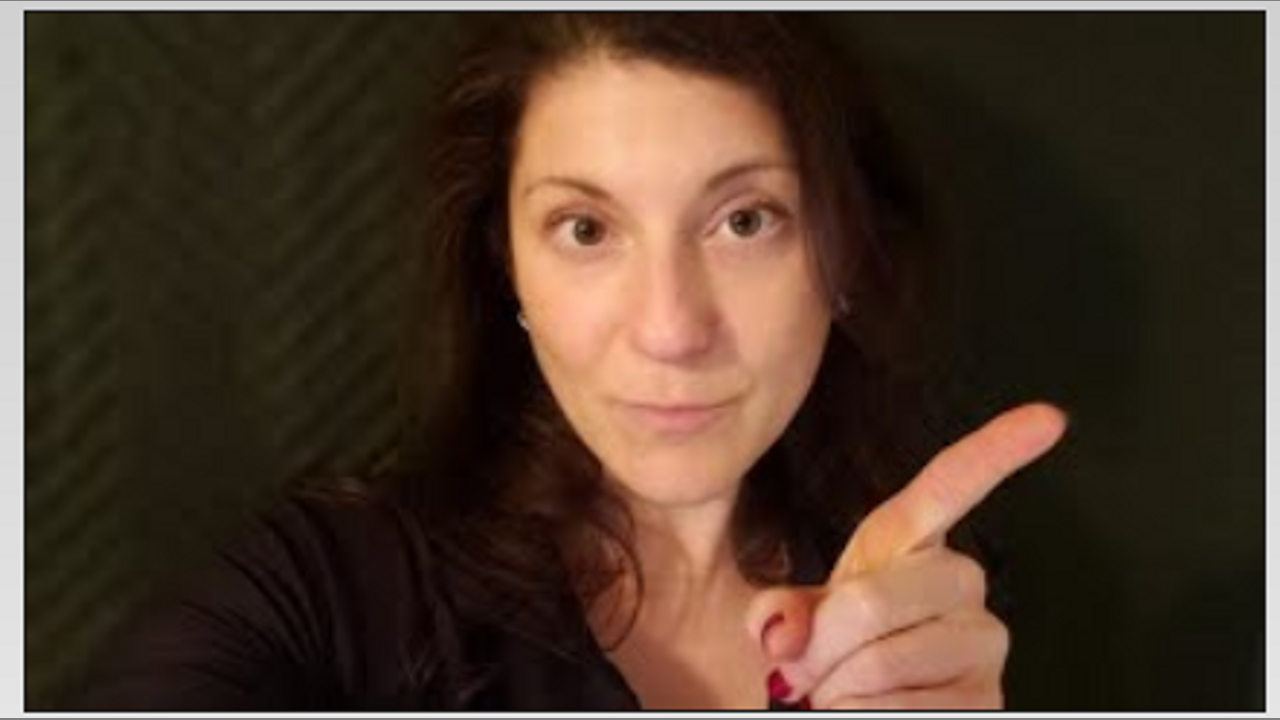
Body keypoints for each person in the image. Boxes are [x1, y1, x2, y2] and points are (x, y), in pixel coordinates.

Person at [78, 12, 1066, 710]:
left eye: (744, 220)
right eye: (586, 229)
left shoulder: (923, 614)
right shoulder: (324, 594)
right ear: (506, 263)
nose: (670, 329)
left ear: (845, 254)